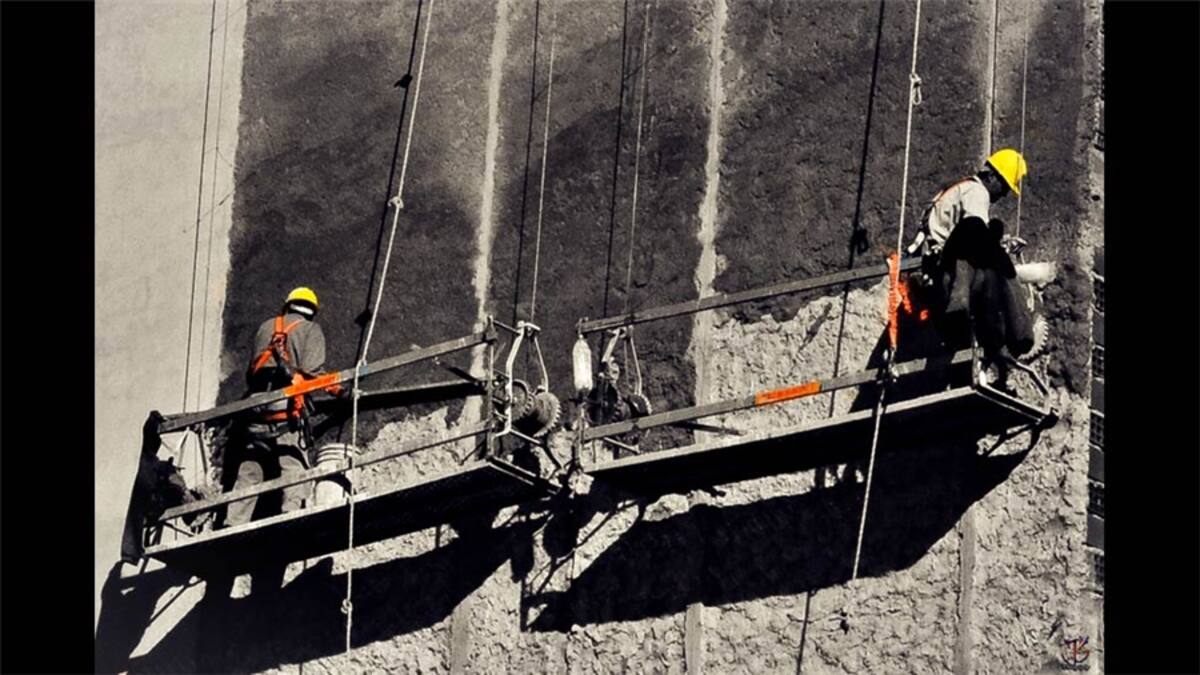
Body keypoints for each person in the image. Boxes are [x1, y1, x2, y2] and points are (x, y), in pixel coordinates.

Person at [911, 148, 1035, 391]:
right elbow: (973, 232)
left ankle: (995, 350)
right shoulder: (977, 192)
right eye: (1005, 188)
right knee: (994, 262)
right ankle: (1019, 333)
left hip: (940, 271)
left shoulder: (961, 189)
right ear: (993, 177)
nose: (1004, 195)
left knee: (992, 257)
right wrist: (1000, 250)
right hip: (949, 272)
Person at [223, 286, 342, 528]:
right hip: (284, 404)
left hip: (255, 405)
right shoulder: (310, 329)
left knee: (250, 469)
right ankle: (291, 516)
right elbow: (313, 372)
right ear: (311, 311)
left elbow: (252, 371)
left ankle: (233, 522)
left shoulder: (266, 327)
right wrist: (339, 390)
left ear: (287, 305)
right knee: (293, 463)